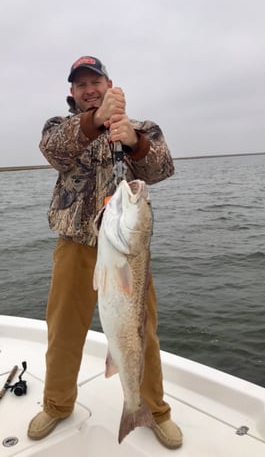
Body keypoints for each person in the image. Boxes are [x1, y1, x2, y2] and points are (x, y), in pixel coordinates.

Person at [27, 55, 183, 450]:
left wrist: (132, 140)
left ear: (110, 84)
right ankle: (57, 404)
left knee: (140, 331)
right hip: (76, 246)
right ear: (72, 93)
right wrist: (95, 123)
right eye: (81, 85)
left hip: (129, 251)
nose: (89, 90)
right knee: (63, 330)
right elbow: (52, 150)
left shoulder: (142, 128)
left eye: (95, 82)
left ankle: (152, 410)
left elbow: (162, 169)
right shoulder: (60, 128)